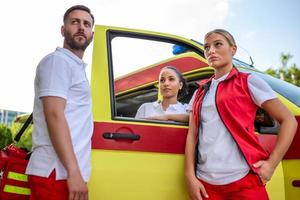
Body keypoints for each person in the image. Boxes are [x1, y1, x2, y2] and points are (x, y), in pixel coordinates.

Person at [184, 29, 297, 200]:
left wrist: (271, 165)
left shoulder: (249, 81)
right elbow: (192, 135)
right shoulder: (200, 91)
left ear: (233, 49)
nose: (211, 50)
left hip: (244, 181)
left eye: (218, 44)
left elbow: (289, 120)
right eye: (207, 47)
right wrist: (190, 176)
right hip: (206, 184)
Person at [26, 5, 94, 200]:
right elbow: (54, 115)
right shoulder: (58, 61)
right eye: (75, 22)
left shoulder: (73, 66)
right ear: (63, 30)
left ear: (92, 34)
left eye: (86, 24)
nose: (81, 27)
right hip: (56, 172)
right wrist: (73, 172)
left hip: (64, 173)